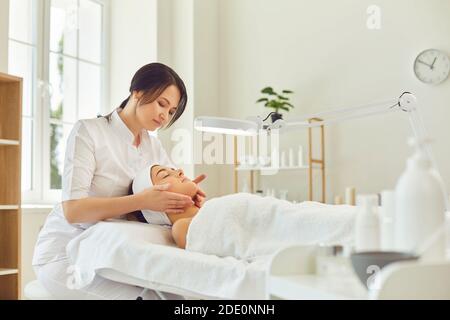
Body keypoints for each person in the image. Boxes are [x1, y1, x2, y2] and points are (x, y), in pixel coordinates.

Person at [32, 63, 206, 300]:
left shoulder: (153, 146)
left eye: (172, 111)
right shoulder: (89, 132)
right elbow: (73, 211)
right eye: (161, 104)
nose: (165, 115)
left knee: (178, 297)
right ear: (138, 92)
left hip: (114, 253)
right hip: (68, 254)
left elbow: (166, 197)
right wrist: (141, 201)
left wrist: (188, 196)